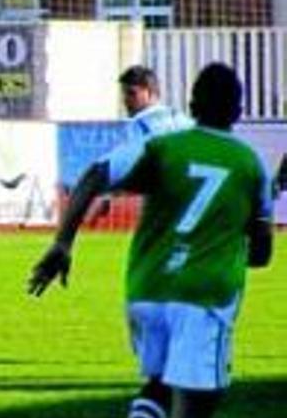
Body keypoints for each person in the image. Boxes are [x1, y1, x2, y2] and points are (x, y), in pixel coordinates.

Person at [29, 62, 273, 418]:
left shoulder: (163, 147)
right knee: (199, 400)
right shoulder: (250, 165)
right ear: (238, 110)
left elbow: (95, 174)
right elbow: (262, 254)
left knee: (157, 388)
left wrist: (63, 243)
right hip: (204, 297)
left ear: (191, 107)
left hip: (147, 290)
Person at [88, 65, 194, 221]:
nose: (126, 100)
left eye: (132, 93)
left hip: (167, 210)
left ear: (150, 93)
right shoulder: (182, 119)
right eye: (124, 94)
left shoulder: (140, 124)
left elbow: (136, 170)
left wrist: (107, 195)